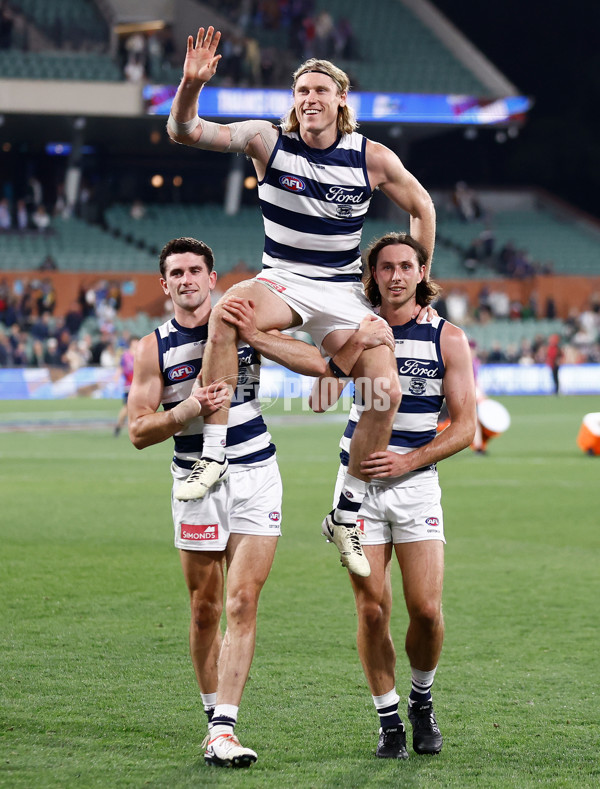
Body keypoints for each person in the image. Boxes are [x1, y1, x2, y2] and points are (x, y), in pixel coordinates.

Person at [166, 27, 436, 578]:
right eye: (300, 91)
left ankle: (347, 511)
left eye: (319, 90)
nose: (309, 99)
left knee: (385, 381)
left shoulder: (372, 157)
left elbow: (423, 209)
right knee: (228, 312)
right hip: (283, 279)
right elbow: (184, 130)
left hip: (342, 288)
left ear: (341, 99)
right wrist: (190, 86)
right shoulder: (267, 141)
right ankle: (214, 455)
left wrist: (417, 284)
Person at [126, 236, 391, 768]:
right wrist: (186, 412)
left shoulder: (247, 317)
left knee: (242, 602)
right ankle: (211, 721)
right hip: (193, 480)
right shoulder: (151, 347)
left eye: (195, 271)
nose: (186, 281)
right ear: (164, 285)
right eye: (176, 274)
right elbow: (137, 430)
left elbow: (321, 368)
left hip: (256, 474)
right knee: (204, 610)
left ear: (212, 276)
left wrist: (358, 339)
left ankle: (225, 728)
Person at [310, 232, 477, 759]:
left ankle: (421, 700)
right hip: (357, 488)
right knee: (372, 612)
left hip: (415, 485)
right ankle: (389, 722)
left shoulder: (447, 338)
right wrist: (358, 340)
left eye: (407, 266)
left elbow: (465, 427)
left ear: (422, 271)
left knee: (426, 610)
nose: (397, 276)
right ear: (373, 275)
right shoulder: (350, 330)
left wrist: (409, 459)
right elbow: (318, 399)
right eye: (387, 268)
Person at [114, 337, 138, 436]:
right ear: (131, 343)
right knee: (126, 407)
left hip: (139, 385)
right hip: (129, 386)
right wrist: (116, 378)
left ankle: (136, 429)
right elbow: (121, 368)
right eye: (135, 341)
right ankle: (118, 426)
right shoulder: (126, 355)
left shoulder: (141, 354)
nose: (137, 343)